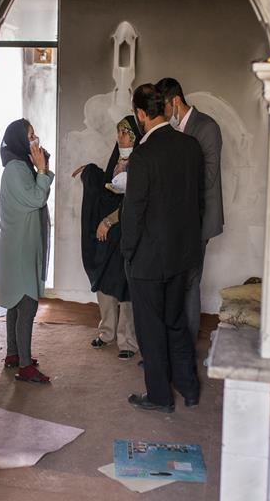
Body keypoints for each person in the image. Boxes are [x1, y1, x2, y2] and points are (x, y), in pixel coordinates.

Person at [121, 84, 205, 413]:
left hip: (149, 259)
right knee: (176, 322)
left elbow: (133, 211)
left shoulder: (143, 155)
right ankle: (189, 388)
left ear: (142, 114)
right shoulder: (190, 146)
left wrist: (128, 252)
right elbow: (197, 201)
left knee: (151, 329)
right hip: (182, 254)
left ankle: (160, 396)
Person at [156, 77, 224, 348]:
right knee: (175, 280)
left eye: (163, 108)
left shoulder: (206, 127)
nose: (162, 115)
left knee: (190, 281)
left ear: (175, 101)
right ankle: (174, 343)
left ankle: (186, 345)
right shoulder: (173, 130)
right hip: (177, 219)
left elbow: (208, 177)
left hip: (198, 219)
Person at [72, 116, 141, 360]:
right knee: (105, 282)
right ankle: (107, 332)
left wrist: (110, 220)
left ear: (134, 136)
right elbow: (107, 187)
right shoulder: (117, 160)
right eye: (118, 132)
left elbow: (134, 201)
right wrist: (90, 171)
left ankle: (127, 340)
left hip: (126, 233)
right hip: (108, 236)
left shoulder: (142, 163)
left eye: (124, 133)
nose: (119, 137)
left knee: (126, 286)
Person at [0, 119, 53, 384]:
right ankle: (25, 366)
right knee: (26, 305)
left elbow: (38, 192)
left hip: (18, 245)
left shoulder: (20, 166)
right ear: (19, 140)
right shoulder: (16, 169)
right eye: (30, 135)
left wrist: (42, 168)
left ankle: (13, 354)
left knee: (16, 305)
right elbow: (36, 198)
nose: (35, 139)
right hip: (18, 249)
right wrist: (41, 170)